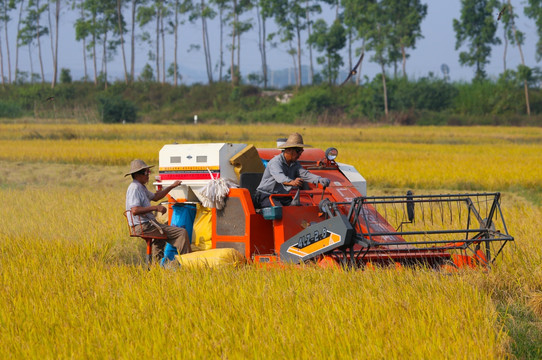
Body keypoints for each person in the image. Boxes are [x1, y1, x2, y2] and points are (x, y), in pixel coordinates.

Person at [125, 159, 191, 261]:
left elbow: (156, 197)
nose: (148, 175)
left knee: (160, 237)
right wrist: (156, 207)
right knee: (181, 233)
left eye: (148, 172)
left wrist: (172, 186)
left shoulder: (141, 187)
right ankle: (189, 264)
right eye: (145, 173)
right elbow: (135, 210)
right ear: (137, 175)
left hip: (147, 224)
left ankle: (156, 266)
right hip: (144, 226)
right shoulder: (135, 188)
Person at [255, 133, 331, 208]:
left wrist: (319, 179)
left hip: (282, 196)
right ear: (288, 150)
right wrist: (293, 182)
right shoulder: (275, 162)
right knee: (280, 211)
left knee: (299, 210)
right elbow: (280, 178)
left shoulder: (295, 164)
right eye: (298, 151)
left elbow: (304, 174)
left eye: (301, 151)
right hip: (266, 195)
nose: (300, 154)